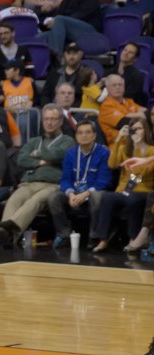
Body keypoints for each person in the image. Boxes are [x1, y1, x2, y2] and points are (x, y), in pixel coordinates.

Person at [0, 104, 75, 245]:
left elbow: (59, 154)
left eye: (53, 119)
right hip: (30, 182)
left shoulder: (67, 141)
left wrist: (37, 155)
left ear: (60, 121)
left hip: (52, 184)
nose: (49, 123)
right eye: (46, 119)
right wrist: (42, 162)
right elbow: (22, 159)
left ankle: (8, 230)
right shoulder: (34, 141)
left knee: (35, 200)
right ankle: (7, 235)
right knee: (14, 199)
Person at [91, 120, 154, 253]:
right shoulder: (123, 148)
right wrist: (119, 139)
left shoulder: (151, 150)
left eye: (139, 129)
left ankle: (133, 237)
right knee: (107, 197)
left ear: (146, 131)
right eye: (133, 129)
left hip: (142, 189)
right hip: (123, 190)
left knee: (133, 199)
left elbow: (143, 172)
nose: (136, 132)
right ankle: (103, 239)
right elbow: (112, 164)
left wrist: (139, 150)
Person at [47, 120, 111, 248]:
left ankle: (94, 236)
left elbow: (103, 181)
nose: (84, 136)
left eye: (88, 132)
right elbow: (65, 179)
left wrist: (85, 194)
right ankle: (63, 234)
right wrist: (70, 194)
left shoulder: (104, 153)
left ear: (94, 135)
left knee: (97, 196)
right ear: (76, 136)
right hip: (75, 192)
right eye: (80, 133)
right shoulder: (71, 153)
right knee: (53, 197)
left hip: (93, 191)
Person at [37, 0, 107, 55]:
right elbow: (57, 16)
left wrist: (56, 21)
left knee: (59, 20)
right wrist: (47, 23)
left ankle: (57, 59)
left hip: (89, 32)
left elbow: (80, 16)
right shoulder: (66, 0)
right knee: (40, 37)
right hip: (68, 30)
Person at [99, 74, 146, 143]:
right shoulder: (106, 106)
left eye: (120, 85)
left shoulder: (129, 101)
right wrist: (139, 115)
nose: (117, 87)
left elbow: (148, 113)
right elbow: (125, 123)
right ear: (107, 88)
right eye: (114, 85)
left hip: (137, 141)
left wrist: (130, 115)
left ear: (124, 87)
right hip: (119, 145)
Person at [0, 22, 31, 91]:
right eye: (0, 34)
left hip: (22, 88)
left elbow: (30, 70)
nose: (3, 36)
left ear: (13, 33)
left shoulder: (23, 50)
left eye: (6, 33)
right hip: (1, 89)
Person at [110, 43, 147, 107]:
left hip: (127, 109)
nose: (126, 53)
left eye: (130, 52)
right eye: (125, 50)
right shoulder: (109, 72)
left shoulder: (137, 76)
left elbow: (127, 99)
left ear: (135, 59)